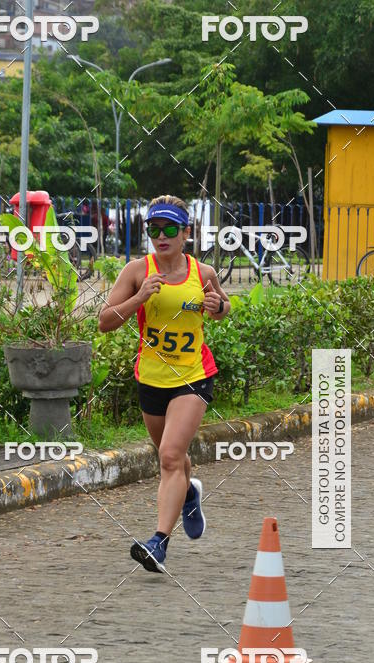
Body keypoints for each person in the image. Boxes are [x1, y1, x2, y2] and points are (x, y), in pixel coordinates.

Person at [98, 194, 230, 572]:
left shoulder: (202, 273)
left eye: (170, 228)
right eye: (154, 229)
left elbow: (224, 306)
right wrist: (139, 297)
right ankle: (189, 492)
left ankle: (158, 543)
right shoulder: (137, 271)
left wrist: (218, 307)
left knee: (170, 457)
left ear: (186, 233)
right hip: (151, 379)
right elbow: (105, 321)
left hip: (193, 376)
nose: (161, 235)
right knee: (175, 459)